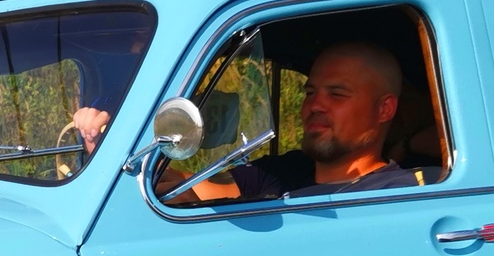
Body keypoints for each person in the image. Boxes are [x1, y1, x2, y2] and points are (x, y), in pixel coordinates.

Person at [167, 42, 427, 204]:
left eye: (337, 94)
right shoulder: (284, 171)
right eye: (310, 92)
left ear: (384, 109)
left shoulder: (398, 195)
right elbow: (199, 188)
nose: (314, 105)